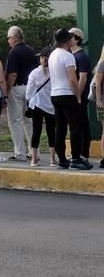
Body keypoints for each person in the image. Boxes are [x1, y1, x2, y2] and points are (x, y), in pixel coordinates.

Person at [49, 28, 92, 170]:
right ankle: (75, 157)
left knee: (60, 127)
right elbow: (73, 80)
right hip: (67, 94)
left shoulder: (53, 55)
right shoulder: (68, 56)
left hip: (55, 93)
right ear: (67, 40)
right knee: (75, 127)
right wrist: (78, 96)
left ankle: (61, 158)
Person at [5, 26, 38, 162]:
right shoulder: (31, 51)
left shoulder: (14, 52)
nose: (8, 41)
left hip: (17, 88)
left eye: (9, 38)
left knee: (15, 121)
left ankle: (19, 153)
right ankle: (34, 151)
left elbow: (12, 74)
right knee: (29, 120)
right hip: (30, 88)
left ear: (14, 38)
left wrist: (6, 91)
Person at [25, 47, 57, 167]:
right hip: (51, 106)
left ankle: (34, 159)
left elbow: (28, 93)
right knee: (51, 132)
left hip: (37, 105)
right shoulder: (55, 72)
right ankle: (53, 159)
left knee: (36, 131)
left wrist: (29, 99)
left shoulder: (34, 73)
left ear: (42, 58)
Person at [69, 28, 93, 161]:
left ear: (77, 38)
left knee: (81, 124)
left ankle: (84, 153)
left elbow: (83, 78)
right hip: (75, 95)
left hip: (80, 96)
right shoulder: (72, 55)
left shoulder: (81, 56)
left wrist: (77, 95)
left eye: (70, 36)